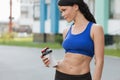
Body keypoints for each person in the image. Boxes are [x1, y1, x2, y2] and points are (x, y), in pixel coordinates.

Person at [41, 0, 104, 80]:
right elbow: (69, 58)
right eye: (61, 12)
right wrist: (52, 62)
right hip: (61, 75)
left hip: (82, 77)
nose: (63, 14)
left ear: (75, 7)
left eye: (64, 10)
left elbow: (99, 62)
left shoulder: (95, 29)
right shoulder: (66, 31)